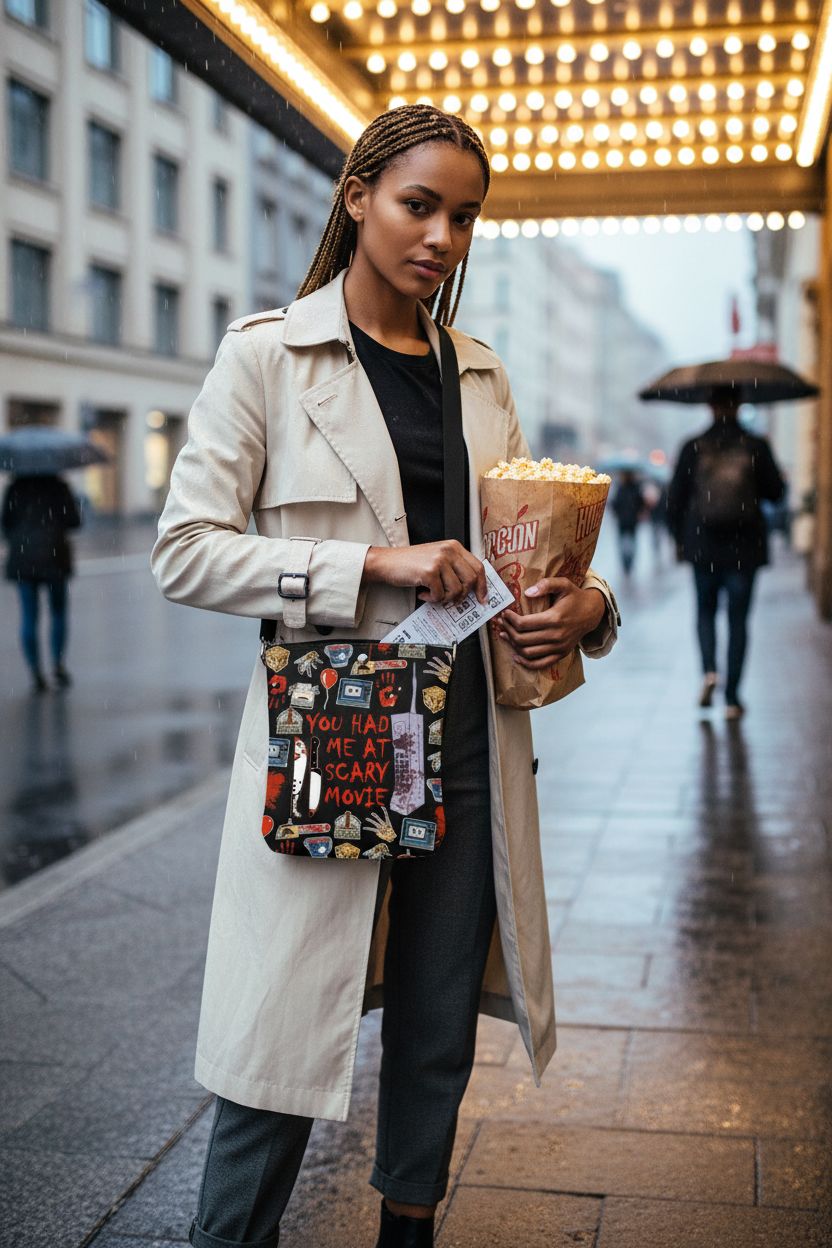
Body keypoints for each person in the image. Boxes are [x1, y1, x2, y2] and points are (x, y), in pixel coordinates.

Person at [152, 105, 619, 1248]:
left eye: (464, 217)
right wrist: (367, 562)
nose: (442, 238)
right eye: (419, 206)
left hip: (467, 744)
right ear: (357, 196)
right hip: (334, 739)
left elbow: (526, 557)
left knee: (436, 1020)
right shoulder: (268, 355)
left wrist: (589, 607)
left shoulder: (480, 374)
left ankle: (409, 1227)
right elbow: (185, 551)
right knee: (278, 1036)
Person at [667, 390, 785, 718]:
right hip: (743, 548)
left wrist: (679, 541)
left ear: (710, 406)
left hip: (703, 545)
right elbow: (776, 493)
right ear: (738, 406)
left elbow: (674, 499)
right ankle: (732, 697)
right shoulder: (756, 445)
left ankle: (709, 672)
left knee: (705, 612)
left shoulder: (693, 446)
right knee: (738, 620)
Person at [2, 472, 80, 691]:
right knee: (58, 612)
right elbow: (74, 521)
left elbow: (5, 524)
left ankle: (35, 670)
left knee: (29, 616)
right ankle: (58, 664)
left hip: (24, 558)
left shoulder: (15, 488)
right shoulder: (59, 486)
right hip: (54, 557)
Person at [610, 470, 646, 575]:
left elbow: (616, 504)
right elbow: (641, 503)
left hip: (626, 521)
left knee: (625, 544)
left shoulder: (622, 488)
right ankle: (628, 563)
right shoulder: (634, 488)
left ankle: (627, 564)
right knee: (629, 544)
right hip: (629, 521)